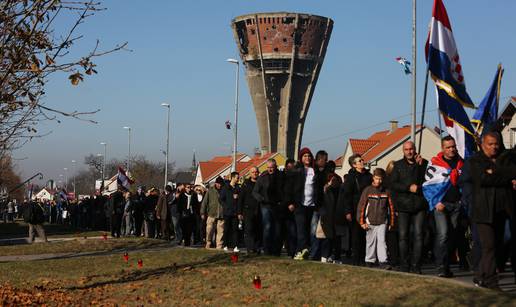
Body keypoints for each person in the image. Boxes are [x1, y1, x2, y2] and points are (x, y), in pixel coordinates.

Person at [469, 132, 516, 289]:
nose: (494, 147)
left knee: (497, 244)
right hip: (483, 211)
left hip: (502, 209)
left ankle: (480, 275)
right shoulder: (476, 160)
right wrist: (503, 176)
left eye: (496, 143)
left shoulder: (504, 158)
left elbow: (512, 172)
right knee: (488, 245)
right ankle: (490, 282)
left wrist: (495, 173)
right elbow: (483, 179)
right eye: (490, 144)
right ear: (483, 145)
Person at [424, 136, 464, 278]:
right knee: (443, 235)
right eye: (448, 147)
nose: (451, 149)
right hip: (441, 205)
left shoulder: (461, 163)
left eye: (453, 146)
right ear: (443, 148)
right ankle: (441, 266)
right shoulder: (435, 164)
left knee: (451, 237)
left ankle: (446, 266)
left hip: (456, 205)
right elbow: (428, 186)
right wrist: (436, 203)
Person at [389, 141, 428, 274]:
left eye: (411, 149)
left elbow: (428, 182)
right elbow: (393, 184)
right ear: (403, 151)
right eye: (406, 149)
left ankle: (416, 265)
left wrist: (419, 166)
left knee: (418, 235)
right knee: (403, 236)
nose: (409, 152)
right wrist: (407, 188)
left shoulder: (423, 164)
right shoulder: (398, 165)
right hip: (403, 205)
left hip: (419, 205)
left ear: (415, 149)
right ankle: (405, 264)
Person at [285, 147, 323, 260]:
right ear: (301, 158)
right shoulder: (296, 171)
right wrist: (290, 202)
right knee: (301, 230)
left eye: (309, 156)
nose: (307, 158)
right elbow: (289, 188)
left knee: (310, 231)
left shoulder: (315, 170)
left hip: (312, 205)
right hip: (299, 204)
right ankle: (299, 252)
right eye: (305, 156)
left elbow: (319, 187)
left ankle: (308, 252)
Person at [338, 153, 373, 266]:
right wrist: (348, 211)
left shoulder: (368, 176)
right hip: (355, 209)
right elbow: (347, 195)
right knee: (356, 235)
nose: (362, 162)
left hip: (368, 209)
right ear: (354, 165)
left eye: (362, 160)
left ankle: (365, 258)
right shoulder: (351, 177)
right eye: (359, 161)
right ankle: (356, 259)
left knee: (366, 235)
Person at [356, 168, 395, 269]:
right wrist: (362, 222)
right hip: (370, 221)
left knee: (382, 242)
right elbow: (361, 207)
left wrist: (391, 223)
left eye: (381, 179)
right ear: (373, 178)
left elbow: (391, 208)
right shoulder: (367, 190)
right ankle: (369, 260)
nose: (378, 181)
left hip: (383, 221)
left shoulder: (387, 191)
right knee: (370, 241)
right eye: (377, 178)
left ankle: (383, 261)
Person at [253, 159, 284, 255]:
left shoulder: (281, 176)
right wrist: (261, 199)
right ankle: (267, 249)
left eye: (272, 167)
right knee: (267, 227)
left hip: (277, 205)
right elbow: (255, 192)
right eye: (268, 167)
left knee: (278, 228)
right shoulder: (263, 177)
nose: (270, 169)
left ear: (276, 167)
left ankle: (276, 250)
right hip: (266, 205)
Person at [318, 172, 344, 263]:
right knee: (327, 238)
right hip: (327, 217)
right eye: (332, 180)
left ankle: (336, 257)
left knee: (337, 239)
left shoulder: (341, 191)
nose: (334, 182)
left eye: (336, 180)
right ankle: (325, 256)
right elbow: (321, 203)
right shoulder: (326, 191)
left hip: (338, 218)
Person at [238, 167, 261, 254]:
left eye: (256, 172)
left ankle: (257, 247)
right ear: (250, 174)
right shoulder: (245, 184)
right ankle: (250, 248)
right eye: (253, 172)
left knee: (258, 230)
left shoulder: (260, 182)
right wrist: (239, 212)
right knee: (249, 229)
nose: (255, 173)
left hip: (259, 210)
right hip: (247, 210)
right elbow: (241, 198)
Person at [201, 176, 225, 249]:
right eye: (218, 183)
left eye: (221, 184)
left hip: (221, 214)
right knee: (209, 230)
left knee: (221, 231)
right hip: (211, 213)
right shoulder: (210, 191)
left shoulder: (224, 190)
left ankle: (219, 245)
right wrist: (202, 212)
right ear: (215, 183)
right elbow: (205, 202)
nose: (219, 185)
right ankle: (208, 243)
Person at [220, 172, 241, 252]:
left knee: (235, 229)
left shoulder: (238, 188)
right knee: (227, 229)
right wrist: (226, 207)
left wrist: (237, 197)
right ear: (232, 178)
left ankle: (235, 246)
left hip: (235, 212)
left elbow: (240, 199)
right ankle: (225, 245)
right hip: (227, 212)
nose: (238, 179)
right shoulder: (226, 187)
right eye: (237, 177)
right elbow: (221, 199)